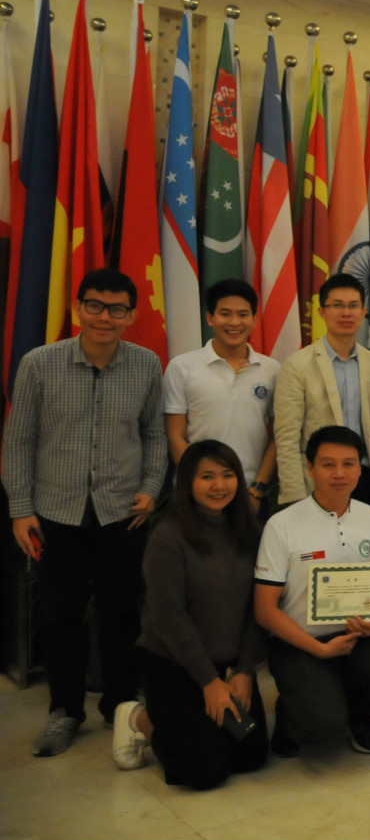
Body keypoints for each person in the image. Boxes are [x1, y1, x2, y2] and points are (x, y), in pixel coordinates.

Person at [6, 268, 164, 758]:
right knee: (61, 615)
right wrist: (20, 509)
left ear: (131, 315)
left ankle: (121, 703)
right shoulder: (39, 363)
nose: (104, 317)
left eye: (117, 309)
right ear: (78, 307)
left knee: (121, 612)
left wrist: (151, 489)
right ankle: (65, 710)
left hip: (122, 512)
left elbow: (154, 433)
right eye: (94, 305)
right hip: (56, 512)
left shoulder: (146, 364)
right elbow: (18, 439)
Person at [253, 426, 370, 757]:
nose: (339, 474)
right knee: (322, 727)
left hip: (357, 637)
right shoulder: (281, 525)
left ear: (360, 469)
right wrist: (319, 649)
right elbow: (264, 609)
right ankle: (293, 712)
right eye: (328, 465)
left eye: (348, 464)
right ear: (310, 468)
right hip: (299, 643)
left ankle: (357, 712)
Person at [112, 441, 268, 788]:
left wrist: (245, 670)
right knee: (204, 771)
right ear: (187, 483)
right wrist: (208, 681)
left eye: (227, 475)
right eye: (206, 477)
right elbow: (169, 618)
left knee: (250, 756)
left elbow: (257, 608)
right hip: (174, 662)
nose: (219, 485)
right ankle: (137, 718)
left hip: (229, 665)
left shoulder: (252, 533)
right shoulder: (168, 537)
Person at [163, 279, 280, 508]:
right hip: (195, 493)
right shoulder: (182, 367)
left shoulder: (272, 369)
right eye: (225, 314)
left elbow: (279, 436)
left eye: (243, 314)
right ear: (210, 318)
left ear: (254, 319)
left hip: (250, 494)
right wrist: (197, 481)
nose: (234, 322)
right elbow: (175, 435)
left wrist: (258, 488)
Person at [273, 274, 370, 506]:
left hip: (364, 479)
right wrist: (294, 496)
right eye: (337, 305)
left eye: (353, 306)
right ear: (322, 312)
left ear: (363, 312)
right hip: (316, 483)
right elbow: (287, 438)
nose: (346, 313)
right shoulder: (297, 365)